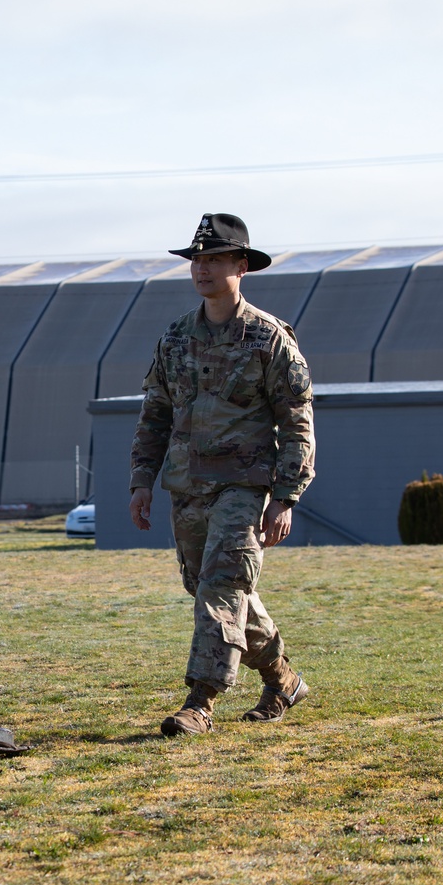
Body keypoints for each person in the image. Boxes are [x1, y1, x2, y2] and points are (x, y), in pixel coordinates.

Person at [129, 212, 316, 737]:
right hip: (187, 487)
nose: (202, 269)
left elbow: (297, 422)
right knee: (214, 588)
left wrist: (286, 496)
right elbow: (156, 414)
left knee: (221, 585)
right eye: (197, 260)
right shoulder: (175, 338)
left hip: (244, 486)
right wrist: (141, 481)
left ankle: (201, 700)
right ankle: (283, 679)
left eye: (214, 259)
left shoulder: (268, 338)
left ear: (241, 266)